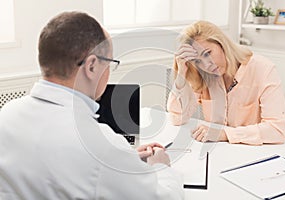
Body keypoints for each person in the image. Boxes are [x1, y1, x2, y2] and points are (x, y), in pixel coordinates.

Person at [0, 11, 183, 199]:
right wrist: (161, 166)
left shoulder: (7, 115)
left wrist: (124, 160)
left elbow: (47, 167)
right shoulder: (101, 145)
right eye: (110, 62)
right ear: (92, 66)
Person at [167, 21, 285, 145]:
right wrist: (181, 74)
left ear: (222, 45)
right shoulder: (205, 76)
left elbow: (277, 130)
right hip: (219, 153)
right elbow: (177, 118)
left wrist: (224, 133)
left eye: (208, 53)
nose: (206, 65)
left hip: (255, 154)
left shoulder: (263, 69)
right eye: (197, 61)